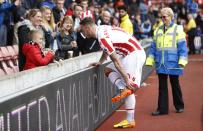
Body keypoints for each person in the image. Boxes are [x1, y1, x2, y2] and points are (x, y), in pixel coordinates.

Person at [80, 17, 146, 128]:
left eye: (83, 30)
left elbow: (116, 60)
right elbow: (108, 49)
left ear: (87, 28)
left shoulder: (102, 38)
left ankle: (130, 120)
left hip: (133, 54)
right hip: (130, 52)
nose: (83, 33)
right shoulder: (102, 28)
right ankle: (122, 89)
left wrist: (125, 77)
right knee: (108, 70)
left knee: (129, 87)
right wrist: (100, 62)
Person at [145, 7, 188, 116]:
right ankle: (162, 109)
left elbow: (183, 47)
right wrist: (150, 60)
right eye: (162, 16)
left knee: (175, 84)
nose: (163, 18)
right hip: (161, 62)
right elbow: (153, 47)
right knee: (162, 86)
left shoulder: (178, 29)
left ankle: (179, 106)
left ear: (171, 17)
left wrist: (182, 61)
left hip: (173, 62)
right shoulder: (158, 30)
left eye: (165, 16)